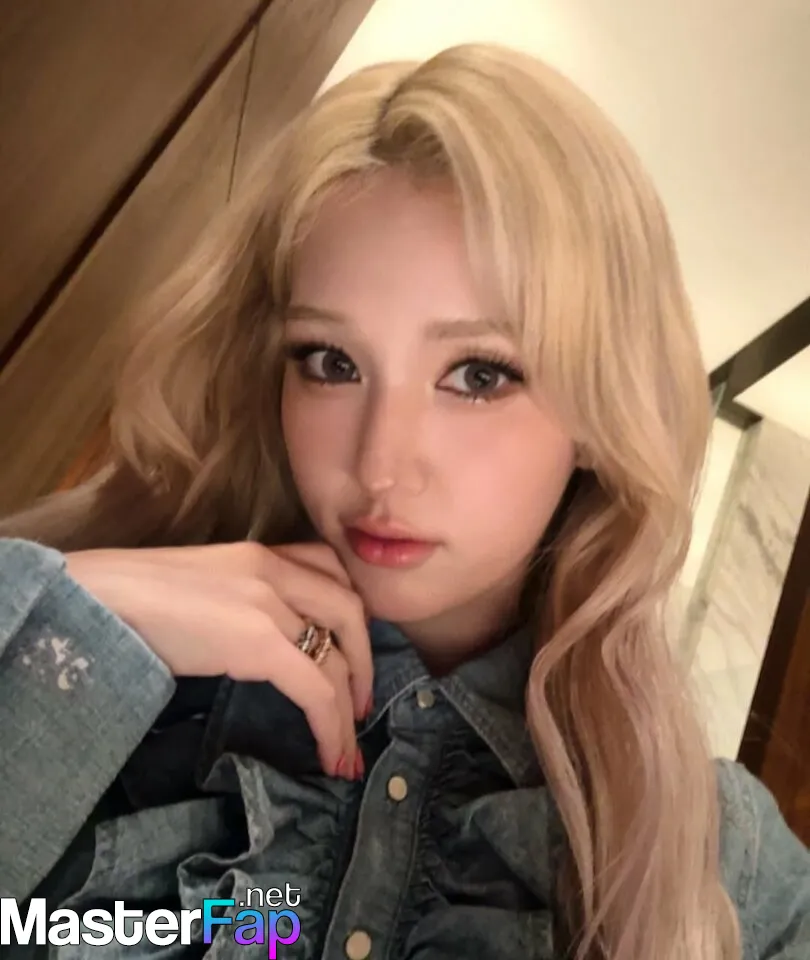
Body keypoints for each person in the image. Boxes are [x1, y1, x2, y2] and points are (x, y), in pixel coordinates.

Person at [0, 42, 807, 960]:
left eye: (479, 374)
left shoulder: (730, 876)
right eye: (331, 362)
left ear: (599, 411)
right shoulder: (95, 666)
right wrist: (54, 631)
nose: (380, 466)